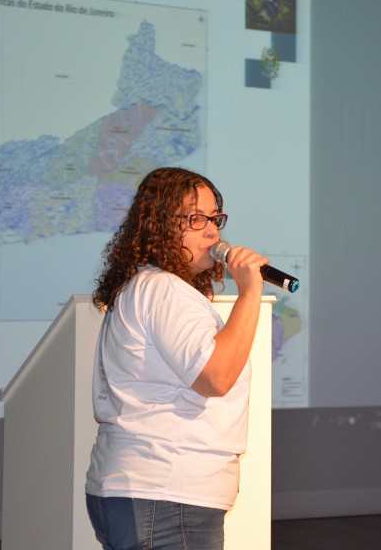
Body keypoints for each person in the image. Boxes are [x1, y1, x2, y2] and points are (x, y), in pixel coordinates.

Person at [85, 167, 268, 550]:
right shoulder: (163, 289)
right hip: (167, 493)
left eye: (215, 218)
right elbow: (216, 376)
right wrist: (250, 291)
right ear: (160, 226)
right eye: (196, 218)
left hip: (149, 490)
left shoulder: (150, 287)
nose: (213, 231)